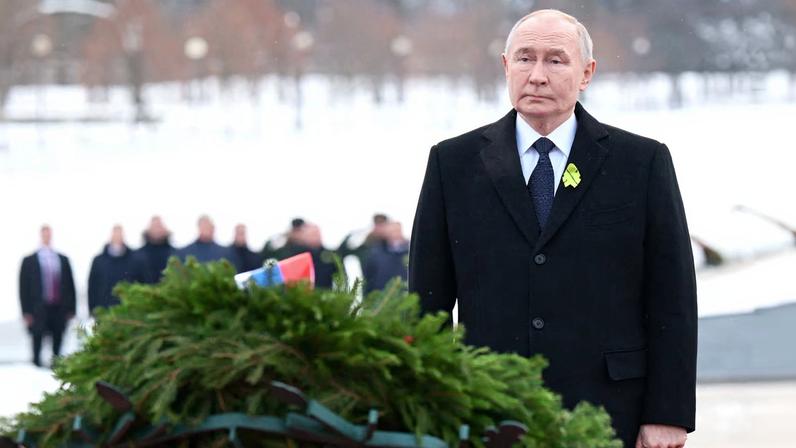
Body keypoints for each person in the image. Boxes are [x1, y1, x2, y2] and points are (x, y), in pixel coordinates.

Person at [408, 9, 696, 448]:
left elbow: (672, 299)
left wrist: (668, 413)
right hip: (489, 412)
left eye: (556, 60)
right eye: (524, 59)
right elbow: (426, 303)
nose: (537, 75)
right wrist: (429, 408)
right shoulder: (453, 163)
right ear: (506, 66)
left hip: (611, 411)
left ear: (587, 73)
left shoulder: (640, 163)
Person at [18, 225, 76, 367]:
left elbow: (70, 285)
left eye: (49, 234)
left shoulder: (62, 259)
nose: (47, 237)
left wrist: (71, 309)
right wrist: (26, 311)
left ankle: (56, 371)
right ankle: (36, 369)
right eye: (44, 234)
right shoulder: (29, 261)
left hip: (58, 308)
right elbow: (23, 288)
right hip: (38, 309)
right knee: (37, 341)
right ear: (41, 236)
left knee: (58, 343)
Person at [88, 225, 148, 314]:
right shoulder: (99, 260)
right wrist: (93, 309)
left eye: (120, 234)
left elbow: (143, 282)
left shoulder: (136, 259)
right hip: (105, 309)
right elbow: (93, 286)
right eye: (115, 234)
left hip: (130, 310)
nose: (117, 237)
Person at [363, 221, 409, 294]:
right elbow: (369, 277)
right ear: (386, 234)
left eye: (396, 231)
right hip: (382, 298)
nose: (394, 234)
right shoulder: (376, 253)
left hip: (405, 296)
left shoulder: (410, 252)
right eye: (391, 232)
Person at [134, 216, 174, 283]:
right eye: (155, 226)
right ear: (148, 230)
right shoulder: (136, 256)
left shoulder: (175, 254)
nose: (157, 230)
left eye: (159, 226)